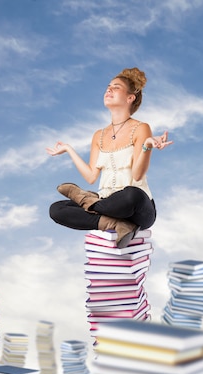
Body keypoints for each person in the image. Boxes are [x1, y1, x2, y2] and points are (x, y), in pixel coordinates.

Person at [47, 67, 172, 248]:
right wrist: (68, 149)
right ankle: (114, 223)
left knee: (132, 195)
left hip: (135, 207)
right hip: (106, 202)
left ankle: (88, 202)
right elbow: (91, 177)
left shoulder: (141, 128)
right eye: (108, 87)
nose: (109, 90)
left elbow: (137, 176)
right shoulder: (98, 135)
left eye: (116, 87)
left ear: (130, 98)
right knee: (56, 209)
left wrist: (147, 146)